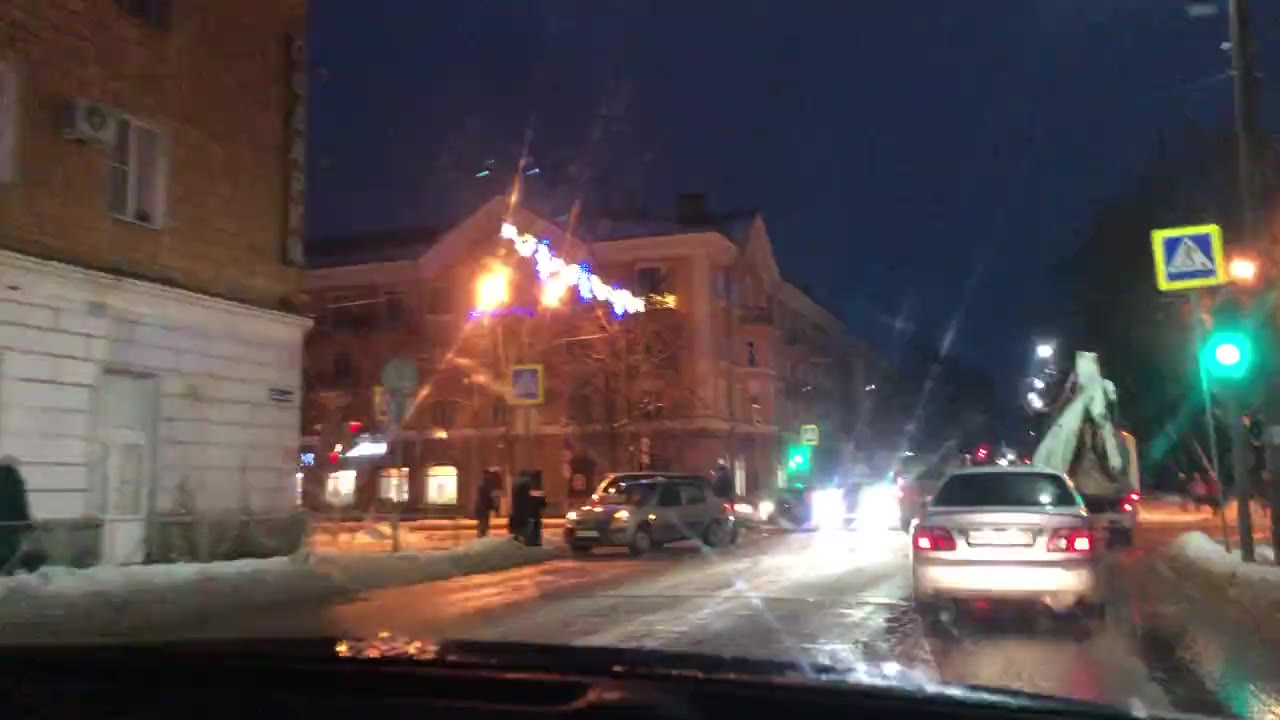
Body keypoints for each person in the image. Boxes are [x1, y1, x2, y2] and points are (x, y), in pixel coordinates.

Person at [0, 456, 33, 574]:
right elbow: (21, 503)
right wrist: (28, 524)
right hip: (12, 529)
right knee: (10, 556)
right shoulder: (15, 479)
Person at [474, 470, 500, 538]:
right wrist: (495, 508)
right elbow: (489, 498)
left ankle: (481, 536)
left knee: (483, 523)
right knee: (483, 524)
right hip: (483, 508)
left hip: (480, 507)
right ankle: (481, 536)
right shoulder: (487, 486)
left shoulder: (482, 485)